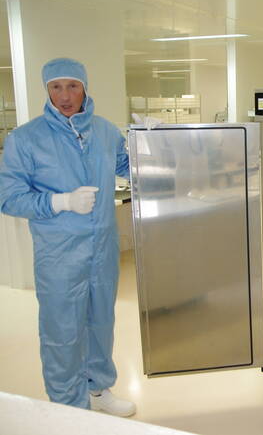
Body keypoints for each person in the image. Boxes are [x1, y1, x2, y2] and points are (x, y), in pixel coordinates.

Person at [0, 58, 136, 417]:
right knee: (62, 332)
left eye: (72, 86)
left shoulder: (105, 131)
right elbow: (9, 198)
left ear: (85, 88)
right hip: (59, 254)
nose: (64, 95)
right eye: (56, 87)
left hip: (102, 249)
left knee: (101, 322)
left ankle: (98, 388)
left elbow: (127, 167)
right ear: (47, 90)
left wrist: (152, 145)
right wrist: (60, 202)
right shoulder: (26, 139)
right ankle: (67, 409)